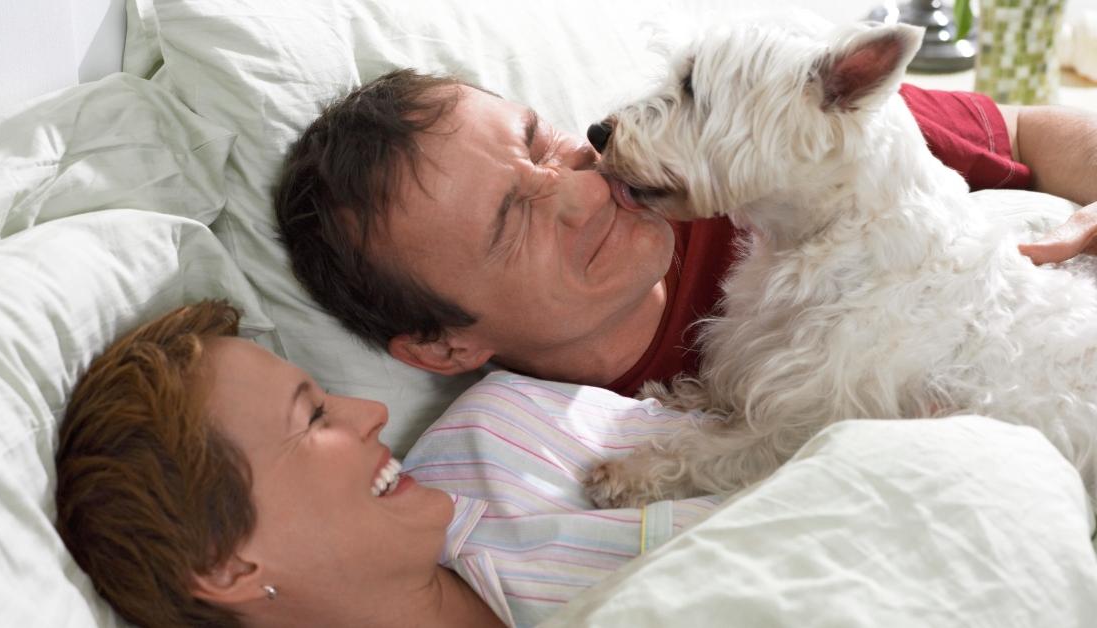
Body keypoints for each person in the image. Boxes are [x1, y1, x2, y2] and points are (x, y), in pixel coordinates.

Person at [275, 69, 1097, 395]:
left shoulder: (734, 145)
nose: (580, 188)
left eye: (537, 141)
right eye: (506, 221)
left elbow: (1019, 132)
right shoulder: (532, 462)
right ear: (442, 346)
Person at [54, 300, 717, 627]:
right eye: (312, 418)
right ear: (228, 565)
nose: (370, 411)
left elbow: (784, 452)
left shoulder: (507, 432)